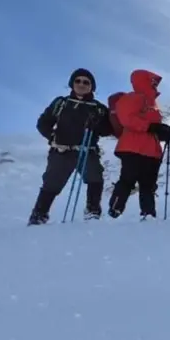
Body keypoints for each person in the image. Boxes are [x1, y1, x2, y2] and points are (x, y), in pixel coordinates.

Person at [28, 68, 115, 225]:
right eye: (78, 81)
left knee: (95, 179)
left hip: (87, 150)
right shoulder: (61, 103)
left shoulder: (98, 108)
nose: (81, 84)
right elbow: (43, 123)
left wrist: (97, 124)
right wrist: (52, 137)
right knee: (51, 183)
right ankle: (39, 215)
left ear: (92, 87)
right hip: (61, 150)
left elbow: (108, 130)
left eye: (86, 82)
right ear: (72, 84)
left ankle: (93, 212)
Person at [108, 69, 170, 220]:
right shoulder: (132, 97)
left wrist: (163, 131)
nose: (155, 84)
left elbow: (151, 126)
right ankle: (115, 210)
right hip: (133, 147)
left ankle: (148, 213)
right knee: (128, 179)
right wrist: (152, 127)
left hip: (149, 150)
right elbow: (127, 119)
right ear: (143, 81)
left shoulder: (152, 102)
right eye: (151, 81)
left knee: (148, 184)